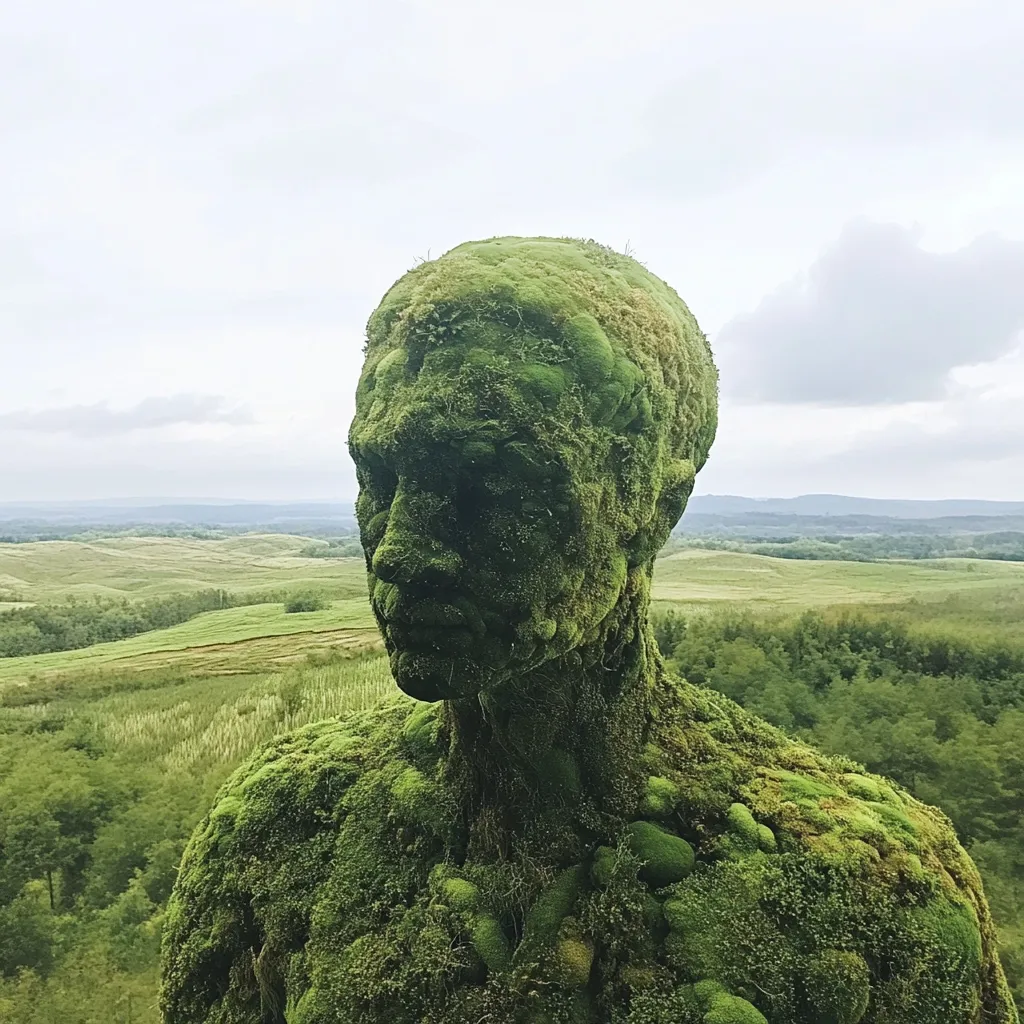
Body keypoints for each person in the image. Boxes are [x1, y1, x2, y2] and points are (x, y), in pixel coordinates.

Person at [161, 237, 1017, 1024]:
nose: (400, 547)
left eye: (492, 485)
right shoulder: (279, 834)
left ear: (653, 505)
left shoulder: (866, 896)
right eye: (379, 473)